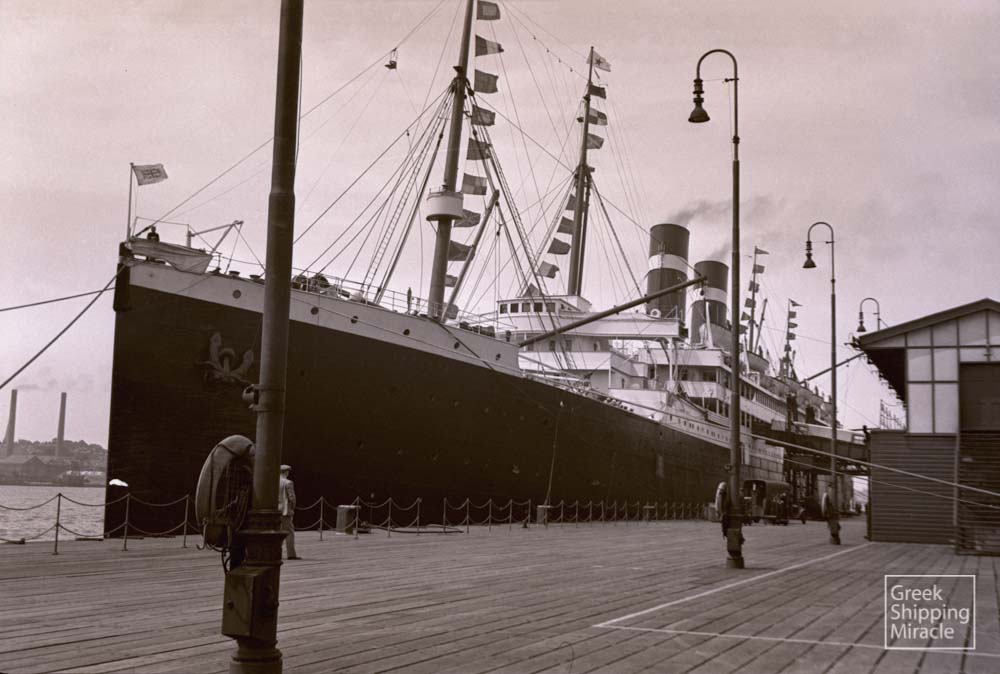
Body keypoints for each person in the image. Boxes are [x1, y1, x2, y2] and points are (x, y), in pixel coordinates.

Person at [279, 464, 300, 560]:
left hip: (276, 510)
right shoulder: (288, 482)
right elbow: (292, 498)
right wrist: (292, 508)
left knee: (277, 532)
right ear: (286, 472)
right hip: (285, 511)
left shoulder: (274, 482)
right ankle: (291, 554)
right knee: (289, 532)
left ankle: (277, 552)